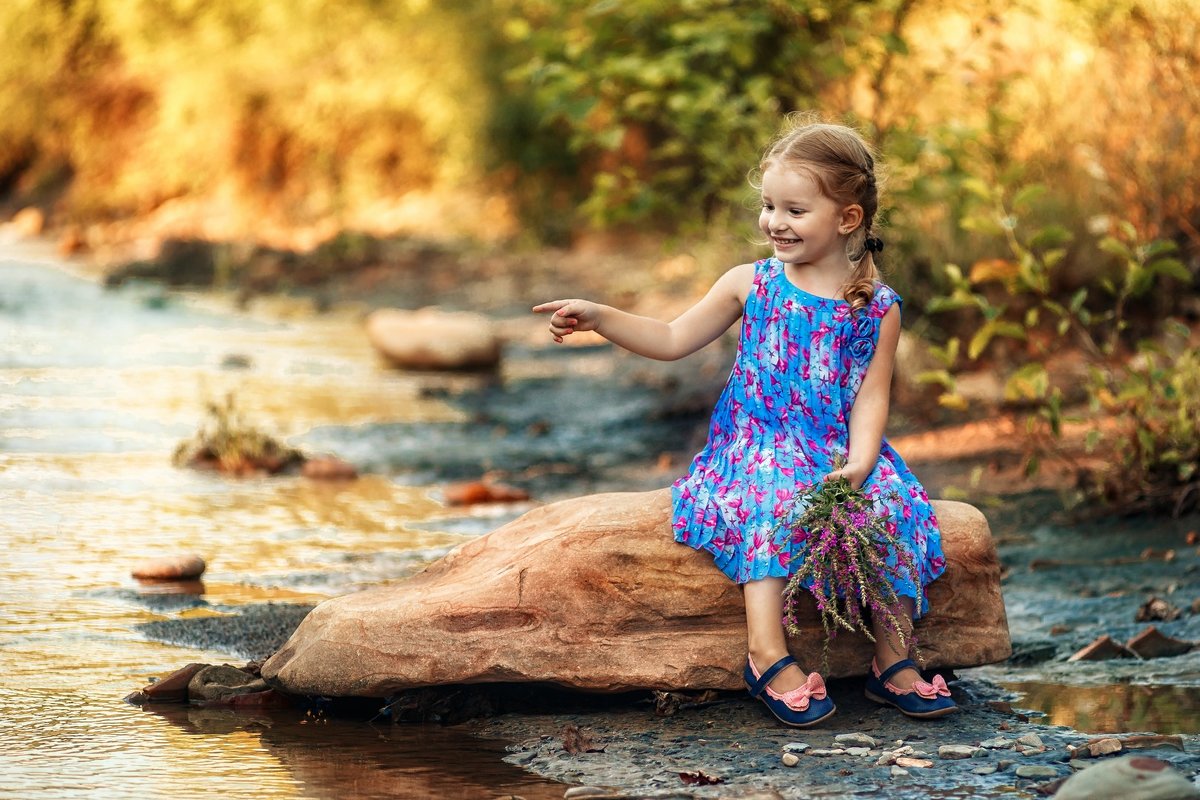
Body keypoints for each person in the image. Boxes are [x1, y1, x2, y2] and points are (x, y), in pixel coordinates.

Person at [533, 118, 955, 727]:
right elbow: (674, 337)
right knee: (775, 501)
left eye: (794, 209)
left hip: (834, 448)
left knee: (893, 507)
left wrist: (862, 462)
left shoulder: (878, 307)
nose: (774, 222)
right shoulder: (751, 284)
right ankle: (765, 652)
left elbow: (870, 396)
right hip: (754, 445)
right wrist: (603, 316)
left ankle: (894, 660)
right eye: (768, 206)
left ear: (848, 219)